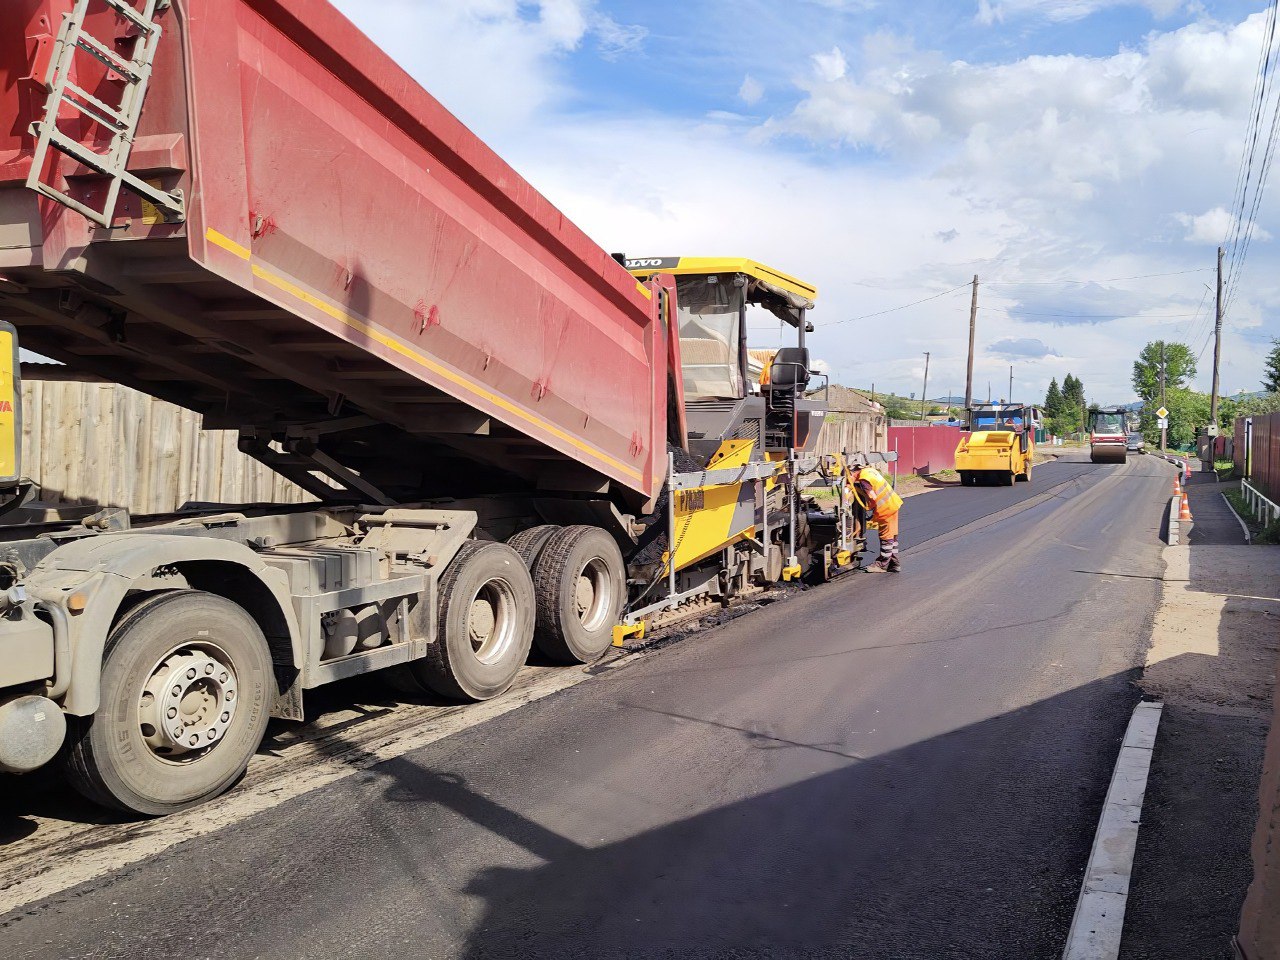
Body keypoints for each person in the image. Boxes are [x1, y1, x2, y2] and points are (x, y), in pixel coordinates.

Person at [851, 465, 904, 573]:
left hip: (885, 509)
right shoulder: (870, 471)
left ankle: (882, 564)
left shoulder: (864, 480)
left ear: (852, 473)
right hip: (893, 504)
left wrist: (870, 508)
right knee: (892, 536)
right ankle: (894, 563)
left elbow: (872, 496)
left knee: (886, 537)